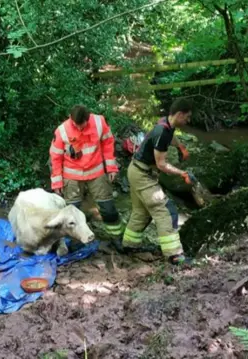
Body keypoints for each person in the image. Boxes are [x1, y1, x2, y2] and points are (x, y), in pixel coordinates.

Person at [118, 98, 196, 265]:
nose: (188, 121)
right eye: (187, 117)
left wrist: (180, 146)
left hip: (136, 170)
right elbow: (161, 164)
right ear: (179, 114)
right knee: (166, 211)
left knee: (142, 212)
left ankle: (129, 245)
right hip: (142, 174)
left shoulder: (166, 124)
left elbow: (170, 137)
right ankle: (174, 255)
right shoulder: (162, 131)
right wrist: (182, 173)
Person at [49, 105, 124, 239]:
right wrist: (57, 183)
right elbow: (55, 157)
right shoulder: (62, 130)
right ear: (71, 118)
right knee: (71, 213)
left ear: (87, 119)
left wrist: (111, 167)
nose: (78, 128)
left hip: (96, 173)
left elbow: (108, 143)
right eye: (75, 125)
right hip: (71, 177)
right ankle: (71, 242)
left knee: (108, 208)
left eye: (81, 125)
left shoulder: (99, 122)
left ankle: (116, 237)